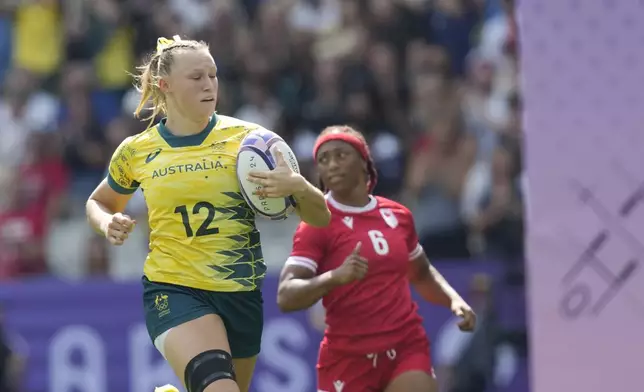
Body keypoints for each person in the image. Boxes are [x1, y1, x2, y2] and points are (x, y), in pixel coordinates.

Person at [86, 35, 331, 392]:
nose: (209, 85)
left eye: (213, 75)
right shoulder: (137, 151)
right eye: (196, 77)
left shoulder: (252, 142)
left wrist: (298, 187)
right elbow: (99, 201)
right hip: (174, 288)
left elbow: (321, 217)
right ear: (164, 85)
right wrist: (108, 222)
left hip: (240, 293)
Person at [277, 125, 477, 392]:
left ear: (363, 162)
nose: (332, 165)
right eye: (323, 160)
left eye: (340, 155)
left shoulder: (398, 215)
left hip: (405, 345)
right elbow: (285, 295)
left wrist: (452, 300)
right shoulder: (317, 223)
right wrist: (334, 277)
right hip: (348, 359)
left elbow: (420, 273)